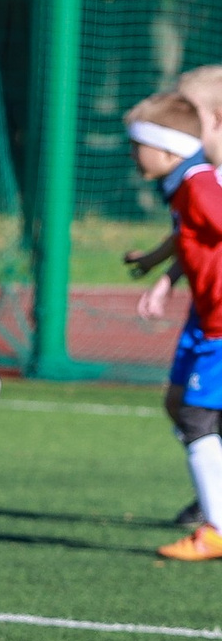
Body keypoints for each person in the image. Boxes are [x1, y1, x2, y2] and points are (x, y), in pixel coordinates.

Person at [119, 95, 222, 561]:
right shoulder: (184, 185)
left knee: (197, 419)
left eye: (137, 146)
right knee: (185, 408)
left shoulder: (200, 186)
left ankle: (215, 531)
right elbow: (188, 236)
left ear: (167, 150)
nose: (131, 154)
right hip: (207, 319)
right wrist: (157, 268)